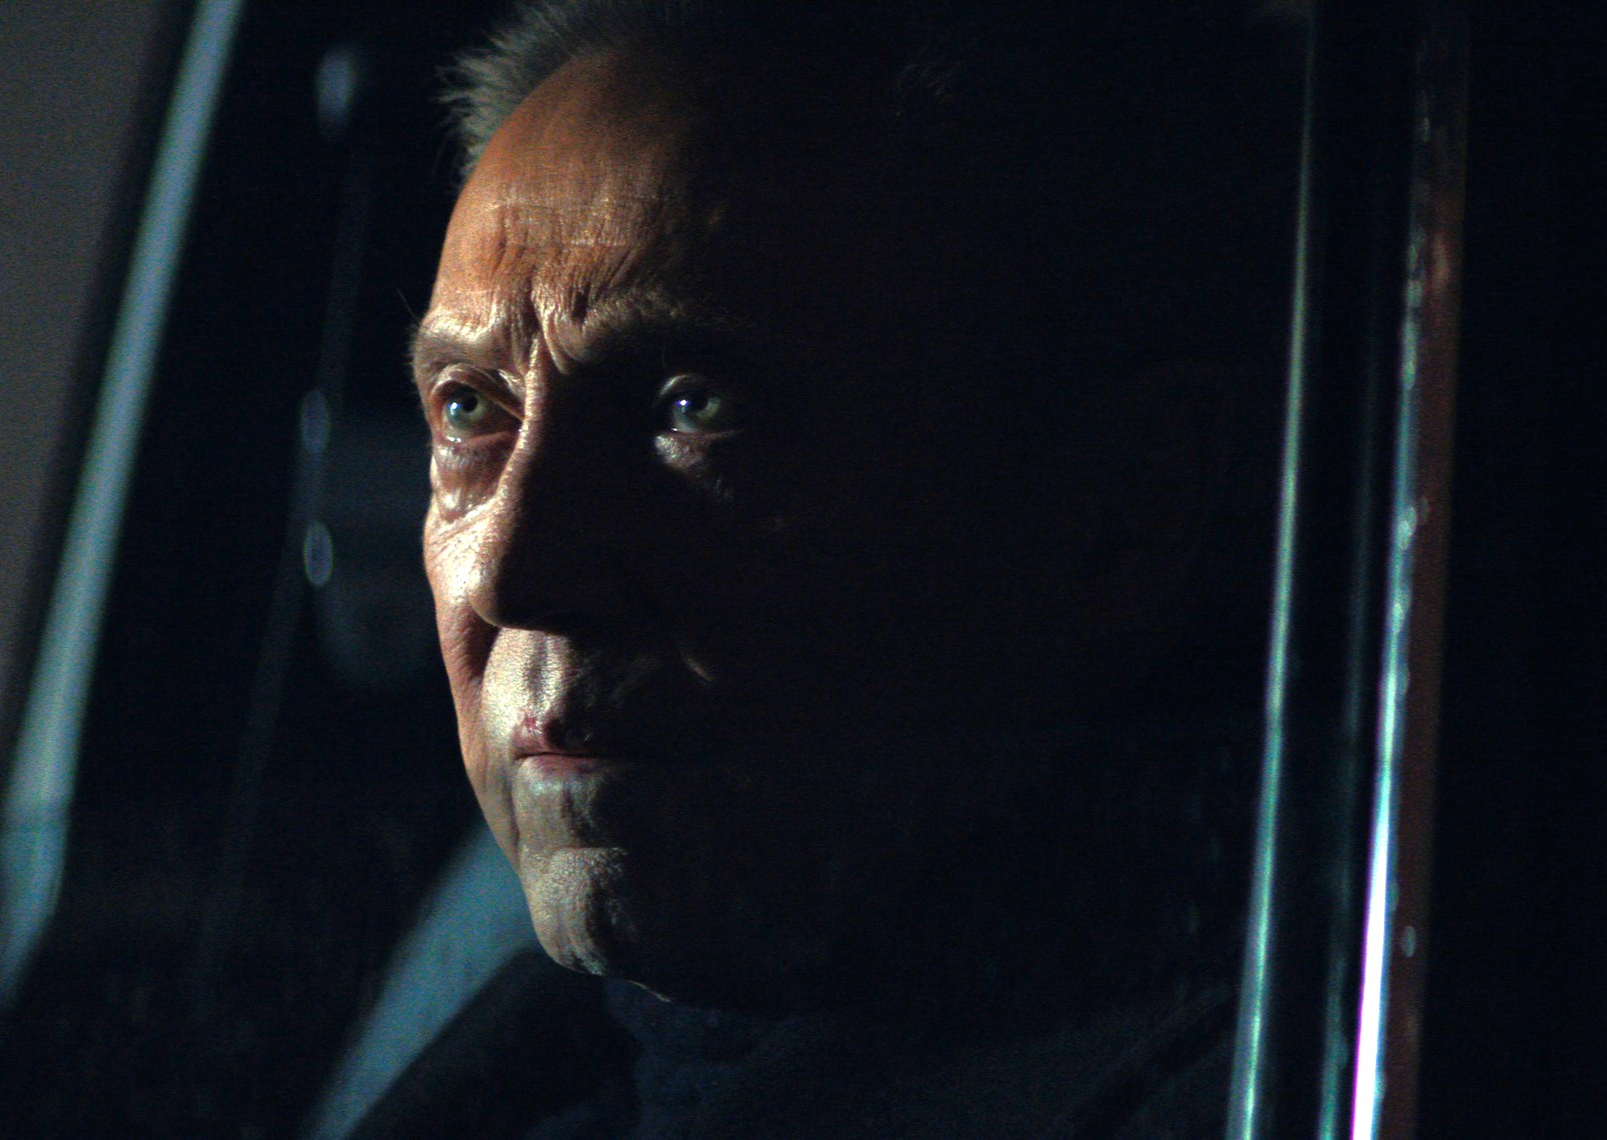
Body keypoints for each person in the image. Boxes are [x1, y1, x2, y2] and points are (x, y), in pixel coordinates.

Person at [366, 2, 1297, 1135]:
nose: (515, 577)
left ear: (1120, 508)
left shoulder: (1277, 1081)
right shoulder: (537, 1061)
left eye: (693, 406)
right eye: (470, 410)